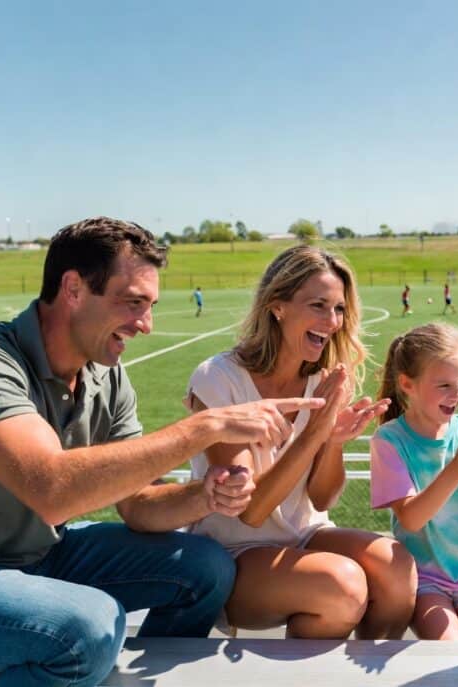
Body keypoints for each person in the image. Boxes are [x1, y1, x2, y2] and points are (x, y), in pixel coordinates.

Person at [0, 217, 323, 687]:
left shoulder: (106, 377)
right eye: (132, 303)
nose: (145, 325)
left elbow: (138, 505)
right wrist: (205, 427)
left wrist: (204, 496)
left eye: (149, 306)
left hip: (42, 556)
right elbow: (51, 491)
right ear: (72, 288)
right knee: (88, 627)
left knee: (207, 566)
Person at [185, 244, 417, 640]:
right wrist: (314, 432)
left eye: (339, 308)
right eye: (318, 306)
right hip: (232, 552)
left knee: (398, 569)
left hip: (304, 534)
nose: (332, 321)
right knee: (341, 587)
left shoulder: (321, 380)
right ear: (278, 306)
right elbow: (251, 511)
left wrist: (334, 441)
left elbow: (323, 500)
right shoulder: (217, 379)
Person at [370, 322, 458, 640]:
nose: (457, 393)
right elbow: (411, 518)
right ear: (407, 384)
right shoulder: (389, 440)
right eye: (444, 385)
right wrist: (457, 470)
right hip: (425, 580)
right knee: (452, 653)